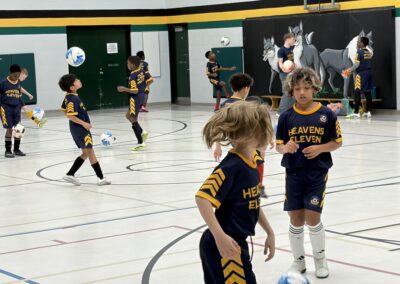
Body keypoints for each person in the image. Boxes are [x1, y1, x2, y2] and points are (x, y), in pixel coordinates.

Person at [196, 101, 275, 284]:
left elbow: (253, 201)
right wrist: (220, 237)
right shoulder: (231, 167)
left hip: (235, 242)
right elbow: (202, 198)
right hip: (224, 245)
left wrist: (269, 232)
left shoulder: (253, 161)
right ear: (251, 132)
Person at [275, 68, 342, 279]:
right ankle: (299, 261)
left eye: (306, 88)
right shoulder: (286, 117)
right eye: (297, 89)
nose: (302, 92)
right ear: (291, 91)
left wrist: (320, 148)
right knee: (295, 218)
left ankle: (320, 260)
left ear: (314, 88)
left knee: (313, 217)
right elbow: (278, 145)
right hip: (293, 173)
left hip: (316, 174)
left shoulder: (327, 114)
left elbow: (337, 142)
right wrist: (286, 147)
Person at [214, 73, 269, 198]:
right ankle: (256, 188)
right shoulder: (246, 106)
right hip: (248, 142)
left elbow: (218, 126)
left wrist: (217, 146)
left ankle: (250, 188)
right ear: (246, 88)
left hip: (235, 143)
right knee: (257, 162)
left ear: (232, 88)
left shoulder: (225, 104)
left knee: (246, 165)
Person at [59, 74, 111, 186]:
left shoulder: (69, 96)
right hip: (80, 129)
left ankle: (70, 174)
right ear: (72, 87)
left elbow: (63, 109)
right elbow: (70, 115)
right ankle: (101, 178)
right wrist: (84, 123)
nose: (79, 80)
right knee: (90, 152)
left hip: (77, 128)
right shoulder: (73, 99)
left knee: (86, 153)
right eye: (76, 80)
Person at [117, 56, 152, 151]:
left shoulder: (133, 76)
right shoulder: (142, 71)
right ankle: (142, 132)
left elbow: (135, 90)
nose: (127, 65)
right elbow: (150, 80)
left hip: (135, 98)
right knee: (128, 116)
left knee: (133, 118)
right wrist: (143, 88)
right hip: (142, 96)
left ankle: (140, 142)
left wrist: (123, 89)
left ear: (132, 65)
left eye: (128, 63)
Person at [0, 64, 25, 157]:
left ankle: (17, 149)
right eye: (15, 76)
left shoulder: (18, 82)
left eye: (18, 76)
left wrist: (23, 105)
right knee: (9, 129)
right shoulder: (3, 83)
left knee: (19, 128)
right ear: (10, 74)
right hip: (5, 108)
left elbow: (19, 95)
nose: (16, 78)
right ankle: (8, 150)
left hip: (16, 108)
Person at [345, 37, 373, 118]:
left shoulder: (359, 52)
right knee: (368, 93)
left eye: (358, 42)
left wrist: (348, 70)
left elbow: (356, 65)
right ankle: (368, 112)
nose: (357, 43)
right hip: (369, 73)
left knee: (357, 93)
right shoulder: (369, 52)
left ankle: (356, 113)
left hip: (362, 74)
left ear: (362, 43)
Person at [277, 33, 296, 116]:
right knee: (286, 92)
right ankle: (280, 112)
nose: (294, 40)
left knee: (293, 92)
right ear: (287, 39)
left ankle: (292, 110)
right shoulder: (281, 50)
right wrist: (283, 68)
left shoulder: (291, 50)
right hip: (284, 74)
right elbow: (280, 62)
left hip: (291, 74)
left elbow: (292, 62)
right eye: (293, 39)